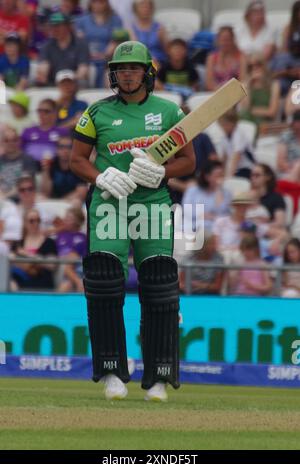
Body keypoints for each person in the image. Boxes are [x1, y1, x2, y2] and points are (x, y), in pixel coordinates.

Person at [70, 40, 195, 402]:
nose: (126, 75)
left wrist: (162, 174)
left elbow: (188, 161)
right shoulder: (96, 113)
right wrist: (99, 177)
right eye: (120, 70)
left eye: (133, 69)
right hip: (110, 205)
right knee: (105, 281)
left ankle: (158, 376)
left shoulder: (169, 112)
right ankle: (111, 371)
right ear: (113, 74)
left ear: (147, 73)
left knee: (158, 286)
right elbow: (77, 159)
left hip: (153, 204)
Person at [75, 0, 123, 87]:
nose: (97, 4)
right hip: (87, 59)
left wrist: (105, 54)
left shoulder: (115, 20)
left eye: (101, 2)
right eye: (94, 2)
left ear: (106, 3)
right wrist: (87, 53)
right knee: (83, 73)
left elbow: (116, 40)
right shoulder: (81, 20)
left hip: (108, 60)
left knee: (110, 78)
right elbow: (79, 41)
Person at [36, 12, 89, 87]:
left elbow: (83, 69)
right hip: (53, 84)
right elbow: (43, 66)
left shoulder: (81, 44)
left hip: (74, 84)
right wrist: (42, 72)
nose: (54, 29)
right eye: (52, 26)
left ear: (68, 26)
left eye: (58, 26)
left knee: (83, 82)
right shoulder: (47, 46)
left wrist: (67, 81)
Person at [11, 208, 58, 290]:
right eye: (32, 221)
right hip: (20, 283)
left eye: (38, 220)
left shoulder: (49, 242)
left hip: (43, 283)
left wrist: (28, 255)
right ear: (25, 223)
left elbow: (52, 265)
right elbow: (11, 262)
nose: (35, 223)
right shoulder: (18, 244)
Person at [182, 160, 232, 232]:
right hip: (192, 226)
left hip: (213, 228)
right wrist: (203, 215)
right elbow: (187, 210)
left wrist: (218, 189)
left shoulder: (226, 193)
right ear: (207, 177)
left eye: (222, 175)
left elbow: (222, 212)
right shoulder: (193, 191)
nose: (221, 178)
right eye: (218, 175)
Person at [40, 134, 87, 202]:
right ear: (57, 150)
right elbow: (46, 192)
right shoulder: (51, 164)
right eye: (61, 147)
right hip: (53, 201)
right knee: (40, 198)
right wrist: (45, 171)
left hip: (72, 203)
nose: (65, 150)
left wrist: (61, 202)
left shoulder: (78, 166)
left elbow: (81, 192)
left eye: (69, 147)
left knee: (76, 201)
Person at [239, 54, 280, 131]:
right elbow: (245, 108)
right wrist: (248, 86)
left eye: (258, 65)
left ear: (264, 66)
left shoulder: (274, 84)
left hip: (264, 122)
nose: (254, 68)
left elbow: (272, 112)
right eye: (251, 66)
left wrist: (251, 111)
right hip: (247, 120)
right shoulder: (245, 84)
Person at [21, 98, 69, 164]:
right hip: (29, 167)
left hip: (53, 168)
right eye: (39, 110)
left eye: (46, 111)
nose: (42, 113)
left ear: (55, 113)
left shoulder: (62, 132)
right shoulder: (28, 131)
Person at [0, 126, 38, 199]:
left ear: (19, 141)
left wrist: (4, 197)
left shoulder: (27, 159)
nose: (10, 143)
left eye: (14, 140)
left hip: (22, 200)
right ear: (1, 143)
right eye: (6, 140)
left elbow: (25, 186)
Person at [217, 109, 256, 179]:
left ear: (232, 123)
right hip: (236, 170)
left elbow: (236, 157)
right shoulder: (224, 137)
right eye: (221, 124)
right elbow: (224, 158)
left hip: (247, 169)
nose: (223, 127)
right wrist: (220, 174)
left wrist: (228, 178)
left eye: (225, 124)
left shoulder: (239, 134)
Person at [55, 207, 87, 293]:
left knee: (67, 285)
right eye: (65, 217)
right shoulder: (60, 235)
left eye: (69, 218)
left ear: (77, 222)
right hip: (60, 267)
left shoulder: (82, 238)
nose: (65, 220)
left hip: (75, 267)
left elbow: (73, 259)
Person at [205, 26, 247, 92]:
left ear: (233, 40)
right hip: (216, 93)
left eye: (228, 40)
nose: (225, 43)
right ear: (218, 41)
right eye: (223, 40)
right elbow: (209, 84)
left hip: (236, 94)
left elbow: (243, 80)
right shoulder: (212, 58)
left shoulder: (241, 57)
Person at [131, 0, 167, 65]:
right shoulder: (131, 29)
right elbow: (135, 50)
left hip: (159, 63)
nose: (145, 9)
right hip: (140, 63)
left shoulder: (160, 28)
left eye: (148, 6)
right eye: (142, 6)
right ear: (135, 9)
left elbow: (167, 49)